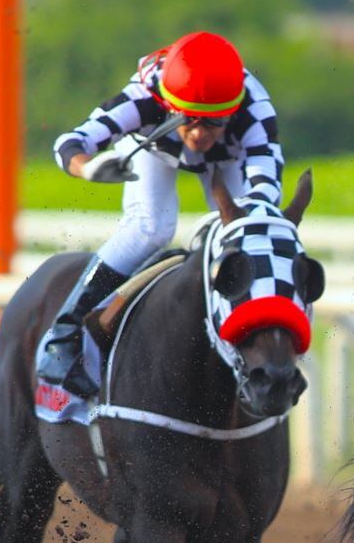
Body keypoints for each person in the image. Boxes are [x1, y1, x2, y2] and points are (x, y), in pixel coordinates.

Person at [37, 30, 283, 398]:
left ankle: (253, 337)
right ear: (167, 105)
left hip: (229, 158)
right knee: (151, 227)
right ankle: (64, 333)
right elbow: (69, 143)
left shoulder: (255, 110)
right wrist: (88, 168)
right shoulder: (143, 100)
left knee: (246, 230)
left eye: (213, 122)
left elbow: (266, 188)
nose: (199, 134)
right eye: (189, 119)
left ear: (232, 112)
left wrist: (240, 220)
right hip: (154, 148)